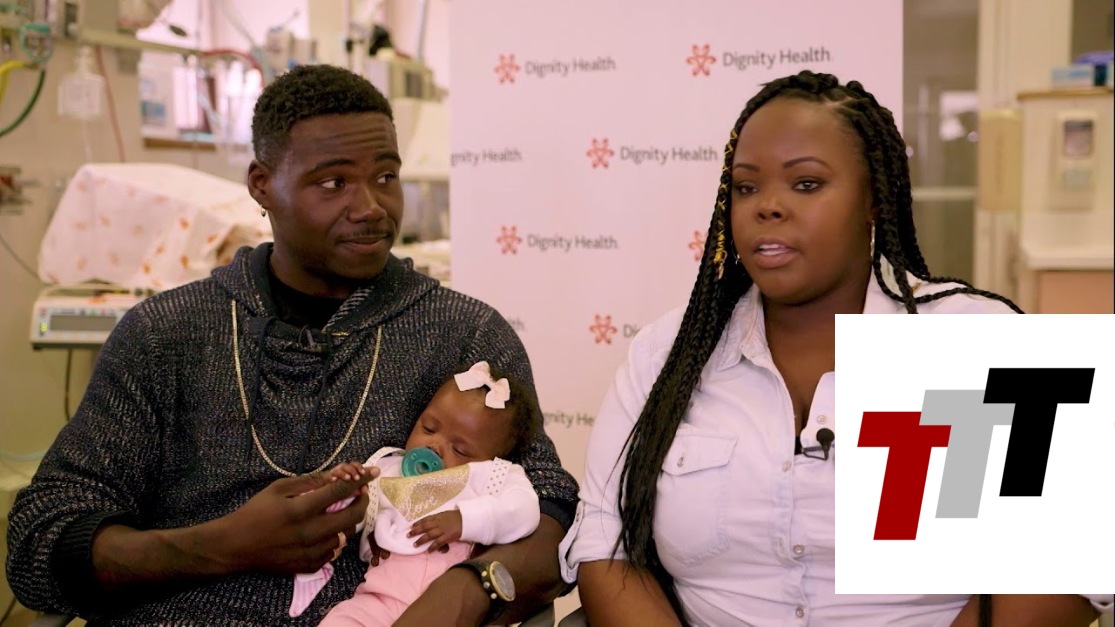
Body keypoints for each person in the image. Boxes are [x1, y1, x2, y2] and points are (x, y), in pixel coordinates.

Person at [6, 64, 578, 626]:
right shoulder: (166, 334)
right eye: (334, 183)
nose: (371, 207)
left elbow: (554, 511)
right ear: (262, 185)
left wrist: (469, 588)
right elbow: (40, 539)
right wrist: (222, 545)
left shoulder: (463, 336)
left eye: (385, 176)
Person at [558, 71, 1113, 627]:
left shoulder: (974, 339)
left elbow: (1069, 566)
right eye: (747, 187)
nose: (768, 206)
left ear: (873, 200)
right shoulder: (669, 354)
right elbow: (606, 546)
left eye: (806, 183)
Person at [309, 361, 541, 625]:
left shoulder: (493, 475)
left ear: (494, 457)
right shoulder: (389, 469)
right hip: (378, 600)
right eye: (429, 428)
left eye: (460, 450)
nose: (435, 445)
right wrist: (344, 487)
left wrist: (465, 521)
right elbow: (351, 513)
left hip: (450, 610)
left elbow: (525, 511)